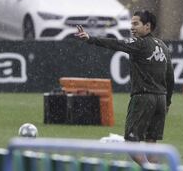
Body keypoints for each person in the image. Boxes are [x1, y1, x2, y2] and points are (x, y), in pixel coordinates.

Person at [74, 10, 175, 166]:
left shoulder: (140, 43)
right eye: (131, 24)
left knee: (130, 141)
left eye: (136, 24)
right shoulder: (163, 46)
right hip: (161, 99)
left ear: (147, 26)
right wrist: (167, 102)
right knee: (151, 142)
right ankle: (155, 168)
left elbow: (116, 44)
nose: (132, 27)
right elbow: (170, 77)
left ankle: (147, 168)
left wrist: (90, 38)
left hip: (143, 98)